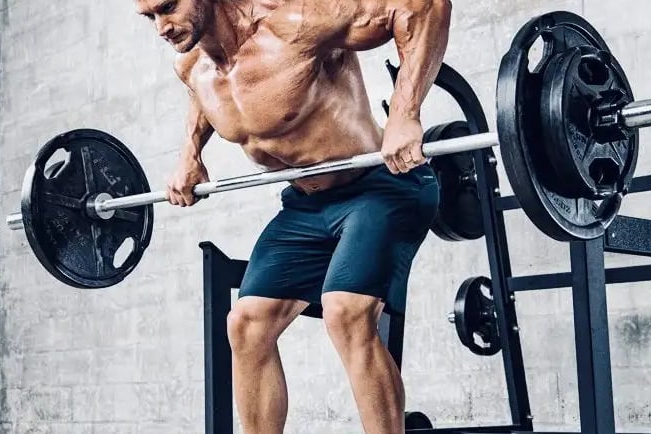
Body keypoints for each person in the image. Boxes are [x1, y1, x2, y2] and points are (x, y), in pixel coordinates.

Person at [134, 0, 451, 432]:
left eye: (167, 7)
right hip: (306, 206)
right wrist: (190, 154)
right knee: (246, 326)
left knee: (345, 313)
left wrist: (405, 113)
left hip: (381, 187)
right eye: (149, 16)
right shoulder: (191, 65)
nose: (160, 28)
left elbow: (424, 7)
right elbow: (203, 95)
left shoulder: (296, 24)